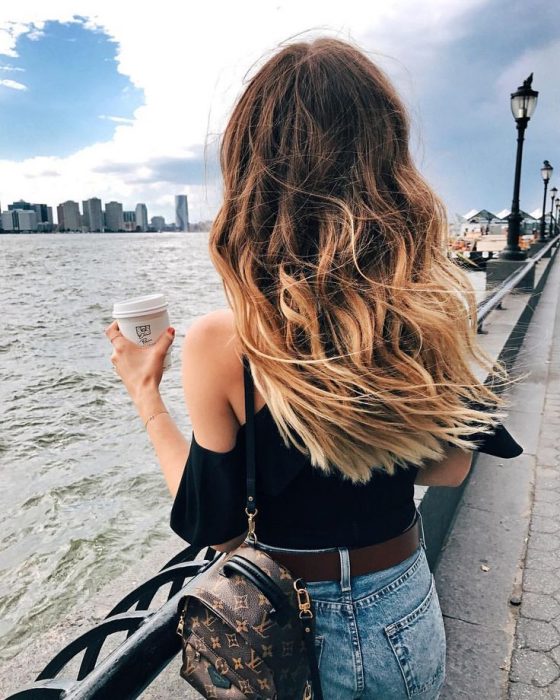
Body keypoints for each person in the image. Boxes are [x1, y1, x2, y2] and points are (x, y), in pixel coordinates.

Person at [105, 37, 523, 699]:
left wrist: (145, 395)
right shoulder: (429, 307)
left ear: (249, 175)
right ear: (389, 164)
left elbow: (211, 527)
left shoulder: (226, 340)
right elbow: (450, 467)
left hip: (290, 626)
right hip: (405, 605)